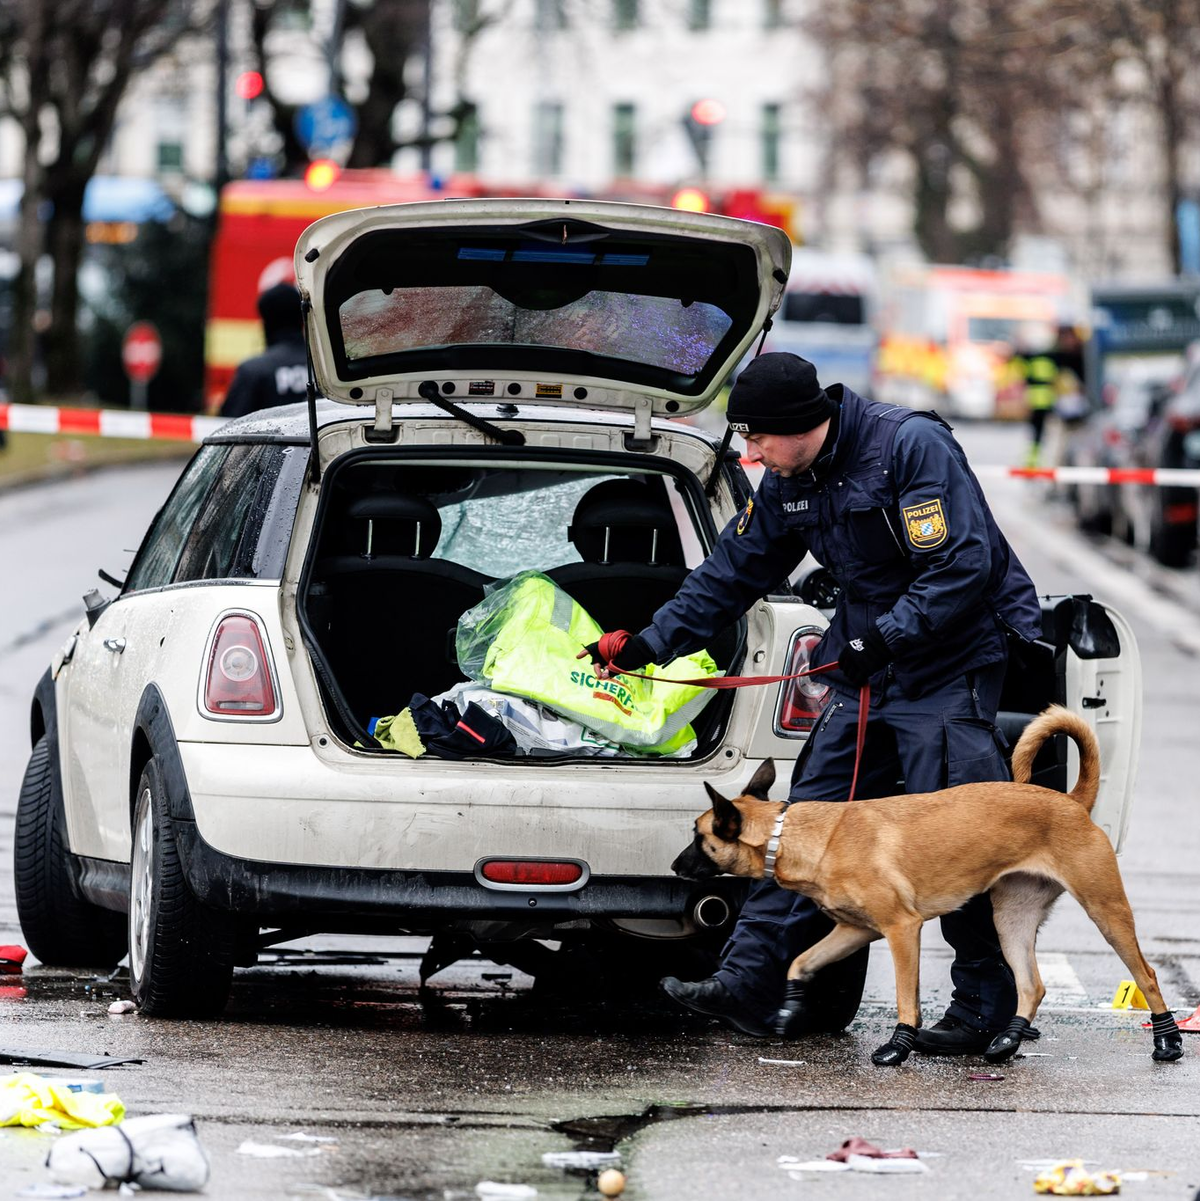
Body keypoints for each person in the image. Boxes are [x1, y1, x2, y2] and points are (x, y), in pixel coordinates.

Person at [583, 352, 1044, 1055]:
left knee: (956, 841)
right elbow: (733, 570)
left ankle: (982, 1005)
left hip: (947, 667)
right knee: (792, 830)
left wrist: (883, 639)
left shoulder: (907, 447)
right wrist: (651, 644)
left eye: (759, 438)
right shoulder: (789, 478)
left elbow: (961, 565)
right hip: (867, 671)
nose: (750, 452)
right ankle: (746, 983)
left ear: (802, 425)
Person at [219, 283, 308, 418]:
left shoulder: (253, 371)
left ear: (266, 323)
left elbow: (228, 427)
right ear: (302, 318)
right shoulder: (326, 369)